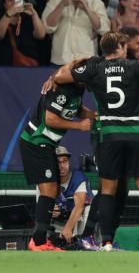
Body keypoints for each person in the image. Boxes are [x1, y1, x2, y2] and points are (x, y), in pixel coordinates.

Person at [52, 31, 139, 251]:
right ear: (122, 46)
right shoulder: (134, 65)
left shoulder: (94, 67)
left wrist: (78, 61)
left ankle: (106, 241)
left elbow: (60, 77)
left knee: (107, 191)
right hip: (134, 134)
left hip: (109, 136)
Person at [18, 79, 94, 251]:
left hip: (46, 144)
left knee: (50, 191)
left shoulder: (78, 91)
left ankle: (39, 240)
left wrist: (94, 116)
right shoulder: (64, 90)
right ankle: (38, 242)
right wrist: (79, 125)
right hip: (36, 141)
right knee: (48, 191)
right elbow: (50, 118)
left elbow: (78, 109)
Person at [42, 0, 110, 65]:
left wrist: (86, 8)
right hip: (61, 63)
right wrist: (62, 5)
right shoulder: (55, 2)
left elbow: (104, 30)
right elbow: (47, 28)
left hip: (86, 63)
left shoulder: (96, 3)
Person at [0, 0, 45, 66]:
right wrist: (9, 13)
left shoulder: (29, 20)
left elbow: (41, 35)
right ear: (4, 5)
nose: (14, 3)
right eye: (10, 0)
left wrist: (34, 15)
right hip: (5, 68)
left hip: (29, 67)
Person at [51, 146, 94, 243]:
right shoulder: (46, 178)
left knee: (88, 209)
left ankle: (86, 241)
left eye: (65, 161)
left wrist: (67, 228)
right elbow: (40, 204)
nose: (61, 165)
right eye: (58, 162)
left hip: (78, 218)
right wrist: (50, 209)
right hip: (58, 220)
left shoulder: (78, 178)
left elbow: (79, 206)